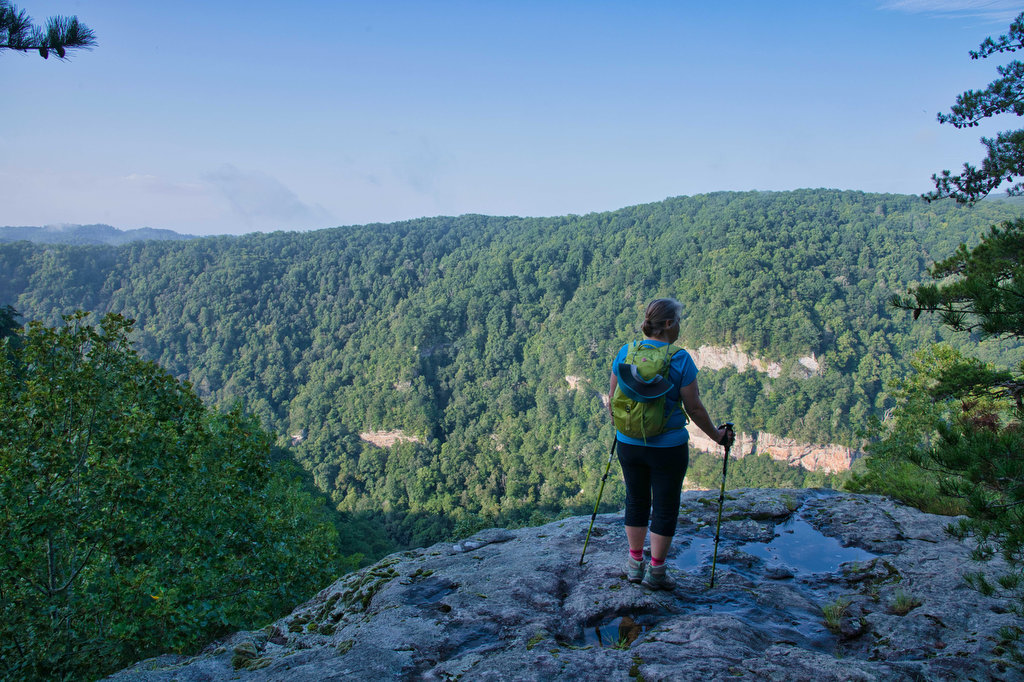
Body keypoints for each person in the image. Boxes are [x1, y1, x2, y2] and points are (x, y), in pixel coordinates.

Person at [608, 298, 734, 590]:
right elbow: (695, 408)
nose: (680, 325)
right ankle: (657, 573)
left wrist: (624, 431)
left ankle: (634, 565)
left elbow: (613, 397)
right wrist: (717, 436)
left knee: (636, 500)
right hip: (668, 447)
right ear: (667, 324)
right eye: (678, 320)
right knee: (665, 506)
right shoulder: (680, 358)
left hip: (629, 443)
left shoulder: (626, 352)